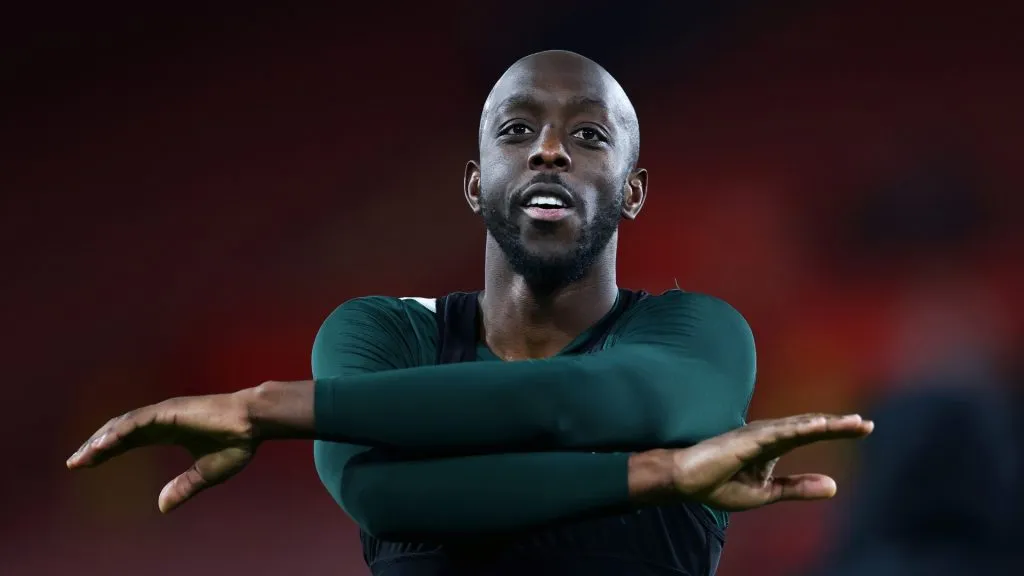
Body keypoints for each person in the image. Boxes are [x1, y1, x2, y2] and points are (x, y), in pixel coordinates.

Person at [66, 50, 874, 575]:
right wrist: (656, 473)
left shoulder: (700, 334)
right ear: (474, 182)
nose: (548, 149)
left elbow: (574, 404)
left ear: (633, 192)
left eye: (588, 134)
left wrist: (266, 408)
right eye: (517, 130)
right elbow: (386, 500)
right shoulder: (376, 334)